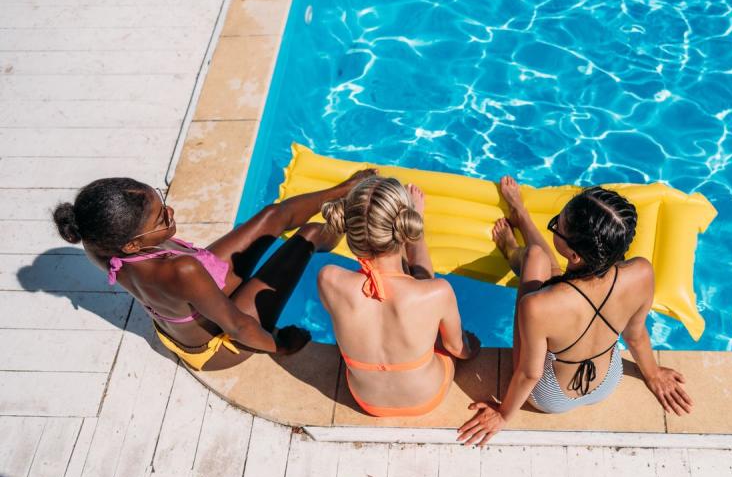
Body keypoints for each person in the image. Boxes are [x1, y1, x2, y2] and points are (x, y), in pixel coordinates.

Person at [52, 171, 374, 371]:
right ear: (133, 246)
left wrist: (342, 189)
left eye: (162, 202)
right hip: (217, 346)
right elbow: (239, 327)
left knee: (274, 214)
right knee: (311, 235)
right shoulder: (182, 270)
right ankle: (341, 224)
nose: (170, 213)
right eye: (160, 219)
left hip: (200, 299)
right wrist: (281, 345)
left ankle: (342, 192)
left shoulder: (97, 241)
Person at [457, 177, 693, 445]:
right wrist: (653, 374)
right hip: (607, 381)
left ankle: (513, 249)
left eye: (557, 225)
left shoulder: (539, 305)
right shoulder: (641, 272)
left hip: (552, 395)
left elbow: (529, 373)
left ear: (575, 256)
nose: (556, 225)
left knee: (535, 257)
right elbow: (636, 335)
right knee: (562, 280)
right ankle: (521, 216)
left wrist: (503, 415)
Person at [317, 176, 479, 417]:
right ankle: (416, 237)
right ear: (405, 226)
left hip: (366, 400)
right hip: (425, 398)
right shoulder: (438, 291)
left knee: (412, 297)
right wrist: (472, 349)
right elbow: (457, 349)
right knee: (426, 298)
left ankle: (385, 236)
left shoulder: (329, 279)